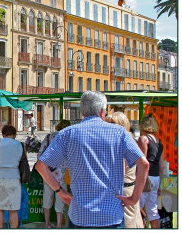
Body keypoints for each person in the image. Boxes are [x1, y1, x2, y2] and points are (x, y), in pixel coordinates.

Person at [35, 91, 150, 228]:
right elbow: (144, 164)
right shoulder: (120, 133)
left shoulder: (67, 133)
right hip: (112, 214)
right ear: (103, 111)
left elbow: (41, 166)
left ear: (82, 111)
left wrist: (60, 192)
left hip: (80, 214)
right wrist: (134, 198)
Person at [107, 112, 144, 228]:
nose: (108, 127)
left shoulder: (121, 142)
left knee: (128, 223)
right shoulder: (129, 140)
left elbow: (120, 171)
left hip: (124, 189)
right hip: (130, 187)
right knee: (136, 220)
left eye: (111, 123)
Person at [37, 119, 71, 228]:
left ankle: (47, 223)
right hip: (62, 174)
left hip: (48, 172)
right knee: (61, 198)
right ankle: (59, 225)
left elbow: (40, 154)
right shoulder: (69, 138)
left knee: (47, 198)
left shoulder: (49, 137)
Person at [0, 125, 24, 228]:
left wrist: (0, 162)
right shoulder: (20, 145)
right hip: (14, 176)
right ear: (14, 134)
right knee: (13, 209)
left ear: (3, 134)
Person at [138, 113, 164, 229]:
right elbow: (161, 165)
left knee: (138, 209)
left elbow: (142, 161)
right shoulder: (159, 142)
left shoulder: (143, 139)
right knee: (153, 212)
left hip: (146, 177)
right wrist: (160, 183)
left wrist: (138, 178)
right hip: (155, 178)